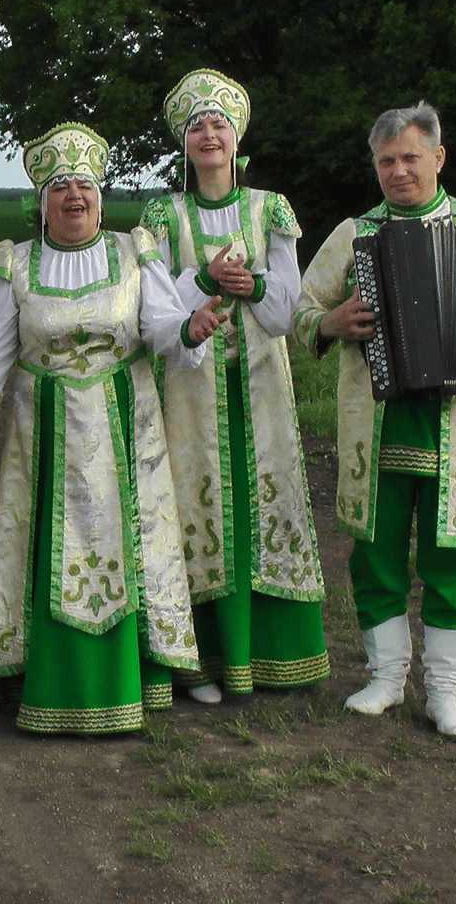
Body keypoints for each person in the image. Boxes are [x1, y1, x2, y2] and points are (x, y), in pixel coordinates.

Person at [0, 122, 223, 734]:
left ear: (99, 194)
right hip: (46, 435)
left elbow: (163, 322)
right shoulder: (15, 264)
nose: (73, 196)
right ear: (42, 201)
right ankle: (51, 679)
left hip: (127, 428)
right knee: (49, 542)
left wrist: (188, 331)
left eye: (84, 185)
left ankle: (136, 674)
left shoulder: (132, 251)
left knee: (133, 540)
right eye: (59, 186)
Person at [291, 103, 456, 740]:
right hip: (376, 429)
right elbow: (302, 311)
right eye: (386, 161)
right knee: (375, 555)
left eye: (411, 158)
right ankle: (385, 677)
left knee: (453, 559)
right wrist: (331, 324)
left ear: (439, 157)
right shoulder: (356, 233)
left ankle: (446, 694)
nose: (398, 171)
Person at [138, 70, 326, 705]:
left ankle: (265, 657)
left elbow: (286, 311)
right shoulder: (165, 213)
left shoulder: (269, 207)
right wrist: (204, 281)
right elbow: (153, 304)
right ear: (184, 145)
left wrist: (253, 287)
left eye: (219, 123)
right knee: (195, 509)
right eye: (196, 126)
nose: (208, 134)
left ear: (236, 137)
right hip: (189, 391)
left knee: (261, 507)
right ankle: (200, 662)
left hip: (262, 389)